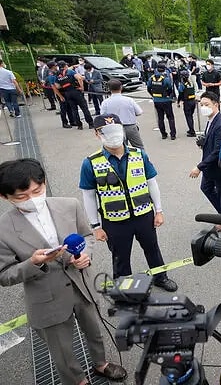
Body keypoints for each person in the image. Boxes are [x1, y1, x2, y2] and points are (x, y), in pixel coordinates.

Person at [0, 158, 128, 385]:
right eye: (22, 197)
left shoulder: (69, 205)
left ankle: (101, 364)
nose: (32, 199)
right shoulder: (4, 229)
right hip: (46, 296)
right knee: (61, 347)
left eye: (36, 191)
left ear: (44, 183)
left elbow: (87, 236)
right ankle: (77, 379)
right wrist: (34, 263)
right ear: (5, 197)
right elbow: (5, 274)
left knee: (94, 330)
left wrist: (85, 255)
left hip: (82, 283)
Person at [79, 114, 178, 292]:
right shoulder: (91, 163)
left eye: (116, 130)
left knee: (152, 249)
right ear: (97, 134)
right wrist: (95, 226)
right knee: (120, 256)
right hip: (115, 220)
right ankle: (125, 288)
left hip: (143, 214)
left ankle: (160, 277)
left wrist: (159, 210)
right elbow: (88, 195)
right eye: (107, 132)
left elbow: (151, 182)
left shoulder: (139, 155)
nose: (114, 135)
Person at [189, 92, 221, 222]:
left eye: (206, 104)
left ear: (216, 104)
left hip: (218, 167)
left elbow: (218, 151)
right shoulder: (211, 120)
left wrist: (199, 167)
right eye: (201, 105)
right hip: (210, 166)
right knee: (206, 188)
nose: (203, 107)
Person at [100, 79, 144, 149]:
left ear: (109, 89)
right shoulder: (129, 100)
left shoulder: (105, 102)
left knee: (121, 148)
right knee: (138, 147)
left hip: (115, 128)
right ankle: (142, 159)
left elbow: (102, 116)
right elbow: (139, 112)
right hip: (130, 126)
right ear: (121, 87)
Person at [54, 60, 94, 129]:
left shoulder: (57, 75)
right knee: (84, 108)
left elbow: (57, 86)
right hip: (76, 91)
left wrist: (64, 84)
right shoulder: (70, 72)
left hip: (67, 93)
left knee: (74, 110)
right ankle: (90, 124)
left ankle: (79, 125)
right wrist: (82, 87)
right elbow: (79, 78)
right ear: (65, 66)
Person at [147, 63, 177, 140]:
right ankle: (173, 134)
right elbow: (170, 88)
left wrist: (153, 95)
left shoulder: (152, 78)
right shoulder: (165, 78)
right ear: (164, 69)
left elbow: (148, 88)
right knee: (170, 118)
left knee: (160, 118)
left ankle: (163, 134)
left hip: (156, 100)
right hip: (166, 100)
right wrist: (168, 95)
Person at [46, 61, 78, 128]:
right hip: (60, 92)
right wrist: (60, 96)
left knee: (69, 107)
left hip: (65, 91)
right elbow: (54, 87)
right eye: (55, 65)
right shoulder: (51, 75)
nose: (56, 66)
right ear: (53, 66)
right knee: (63, 108)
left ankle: (72, 121)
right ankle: (64, 123)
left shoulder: (57, 72)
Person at [177, 70, 199, 137]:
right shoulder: (191, 83)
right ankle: (191, 129)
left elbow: (180, 94)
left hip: (187, 102)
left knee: (188, 117)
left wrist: (178, 102)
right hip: (193, 101)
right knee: (190, 116)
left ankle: (192, 131)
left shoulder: (182, 84)